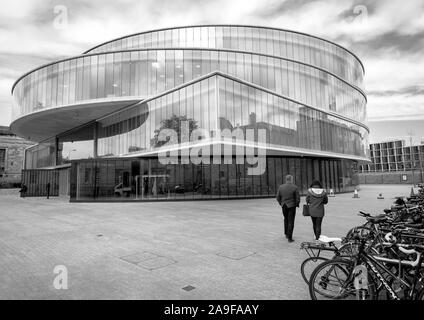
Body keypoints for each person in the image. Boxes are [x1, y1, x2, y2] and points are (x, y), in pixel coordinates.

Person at [276, 175, 300, 243]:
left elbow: (277, 197)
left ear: (286, 179)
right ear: (291, 179)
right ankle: (290, 237)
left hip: (284, 205)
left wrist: (281, 203)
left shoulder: (281, 187)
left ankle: (286, 233)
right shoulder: (295, 187)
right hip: (291, 206)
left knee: (286, 219)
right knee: (291, 221)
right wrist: (296, 204)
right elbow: (297, 198)